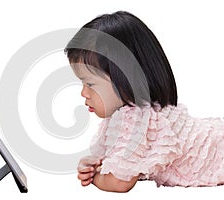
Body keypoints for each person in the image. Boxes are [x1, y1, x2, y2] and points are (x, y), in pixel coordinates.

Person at [64, 11, 224, 192]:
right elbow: (124, 163)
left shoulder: (134, 121)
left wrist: (95, 178)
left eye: (90, 83)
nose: (84, 93)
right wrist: (96, 165)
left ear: (125, 78)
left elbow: (119, 182)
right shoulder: (138, 115)